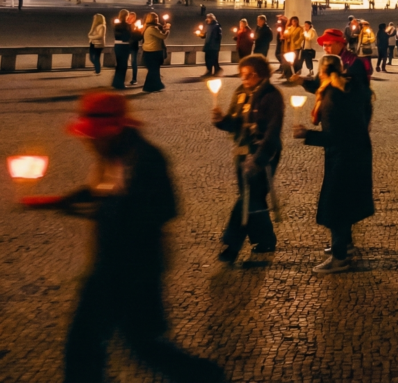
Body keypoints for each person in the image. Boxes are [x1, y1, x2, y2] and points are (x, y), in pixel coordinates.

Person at [24, 93, 223, 383]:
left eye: (94, 137)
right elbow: (102, 190)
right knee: (98, 343)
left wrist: (113, 211)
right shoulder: (113, 155)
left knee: (133, 345)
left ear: (113, 131)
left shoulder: (146, 159)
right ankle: (206, 376)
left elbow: (167, 208)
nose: (89, 142)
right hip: (111, 265)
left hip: (135, 268)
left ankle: (207, 376)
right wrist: (64, 200)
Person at [294, 55, 375, 273]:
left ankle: (339, 257)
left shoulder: (331, 98)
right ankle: (345, 245)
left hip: (343, 157)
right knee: (348, 202)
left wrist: (307, 134)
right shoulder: (353, 89)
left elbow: (335, 136)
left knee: (336, 206)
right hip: (360, 153)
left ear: (322, 73)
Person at [212, 55, 284, 262]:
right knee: (253, 198)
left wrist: (259, 159)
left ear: (259, 74)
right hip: (242, 151)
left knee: (248, 198)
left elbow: (272, 131)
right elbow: (234, 122)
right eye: (241, 74)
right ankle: (265, 240)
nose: (243, 78)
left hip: (263, 154)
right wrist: (221, 121)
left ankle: (232, 245)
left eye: (247, 75)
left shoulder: (272, 96)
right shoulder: (241, 92)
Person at [141, 13, 168, 93]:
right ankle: (148, 87)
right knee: (153, 70)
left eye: (157, 17)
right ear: (152, 19)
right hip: (153, 51)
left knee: (154, 70)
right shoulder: (152, 29)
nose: (157, 19)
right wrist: (167, 30)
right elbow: (163, 36)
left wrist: (163, 29)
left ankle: (156, 85)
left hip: (150, 51)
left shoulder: (148, 27)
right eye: (155, 18)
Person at [111, 9, 132, 89]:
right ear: (127, 16)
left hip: (117, 45)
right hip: (125, 46)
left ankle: (116, 82)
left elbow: (116, 35)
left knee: (119, 64)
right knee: (123, 65)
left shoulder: (116, 25)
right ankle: (120, 83)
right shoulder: (128, 25)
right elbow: (129, 36)